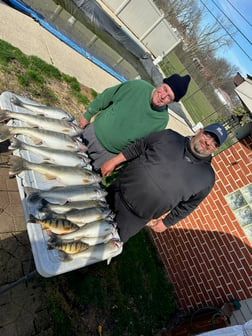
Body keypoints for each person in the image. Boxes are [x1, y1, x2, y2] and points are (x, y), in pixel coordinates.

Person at [101, 123, 228, 243]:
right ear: (200, 131)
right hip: (117, 192)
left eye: (215, 143)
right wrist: (114, 161)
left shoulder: (207, 178)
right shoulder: (169, 137)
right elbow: (140, 146)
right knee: (86, 218)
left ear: (216, 149)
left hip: (135, 219)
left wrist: (167, 222)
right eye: (208, 135)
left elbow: (189, 205)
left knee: (105, 244)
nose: (208, 142)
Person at [79, 74, 191, 170]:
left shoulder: (162, 120)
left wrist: (119, 162)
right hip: (92, 133)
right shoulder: (138, 86)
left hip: (107, 156)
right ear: (161, 83)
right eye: (165, 89)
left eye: (169, 97)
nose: (162, 96)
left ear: (172, 102)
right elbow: (107, 96)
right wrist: (88, 114)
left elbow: (141, 145)